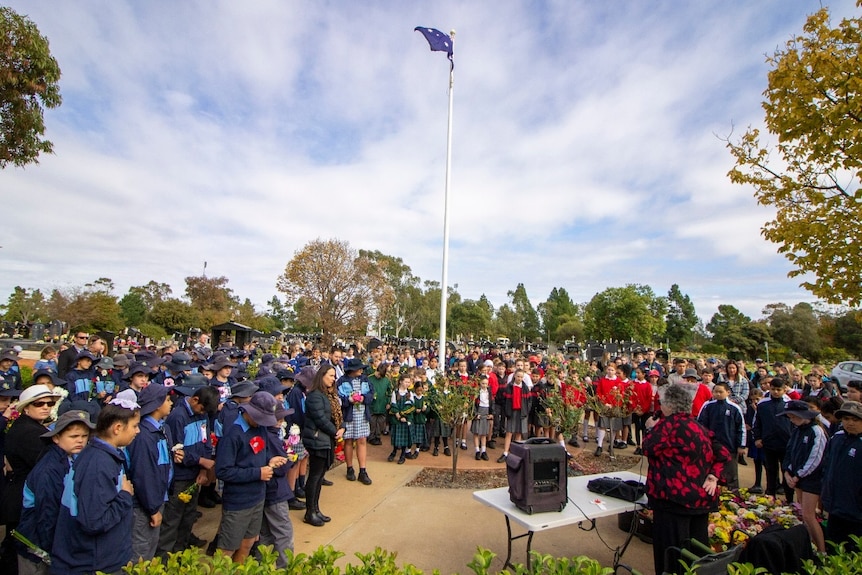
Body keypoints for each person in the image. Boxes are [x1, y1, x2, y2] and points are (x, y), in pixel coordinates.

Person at [643, 384, 730, 575]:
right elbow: (723, 453)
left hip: (672, 500)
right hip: (700, 499)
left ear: (669, 405)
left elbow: (648, 448)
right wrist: (714, 476)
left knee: (672, 556)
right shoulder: (697, 425)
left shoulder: (667, 426)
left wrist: (650, 428)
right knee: (696, 554)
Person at [51, 398, 141, 575]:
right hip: (94, 563)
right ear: (117, 428)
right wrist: (124, 496)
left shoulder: (102, 455)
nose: (137, 431)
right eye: (134, 426)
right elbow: (94, 522)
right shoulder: (98, 464)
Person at [16, 410, 94, 575]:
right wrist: (58, 554)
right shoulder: (49, 470)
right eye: (73, 436)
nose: (80, 440)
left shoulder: (69, 458)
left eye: (84, 436)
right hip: (38, 549)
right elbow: (47, 515)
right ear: (56, 437)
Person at [215, 391, 287, 562]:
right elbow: (223, 471)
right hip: (238, 503)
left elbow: (259, 454)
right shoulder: (234, 434)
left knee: (247, 544)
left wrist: (270, 461)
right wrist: (258, 473)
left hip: (257, 498)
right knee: (226, 551)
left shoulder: (259, 429)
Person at [0, 384, 63, 571]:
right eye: (39, 404)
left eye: (50, 403)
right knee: (19, 552)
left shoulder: (31, 427)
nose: (46, 407)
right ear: (26, 407)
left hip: (22, 494)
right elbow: (48, 465)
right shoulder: (29, 432)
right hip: (23, 498)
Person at [157, 384, 219, 557]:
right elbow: (177, 451)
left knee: (188, 515)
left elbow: (206, 443)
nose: (202, 413)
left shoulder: (204, 414)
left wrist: (203, 470)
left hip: (195, 474)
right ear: (195, 399)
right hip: (180, 477)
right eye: (201, 409)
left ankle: (181, 552)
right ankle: (163, 559)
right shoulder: (177, 417)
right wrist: (200, 461)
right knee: (172, 519)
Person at [126, 384, 181, 561]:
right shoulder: (143, 435)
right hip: (145, 505)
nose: (171, 402)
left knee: (151, 547)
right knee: (141, 553)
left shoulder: (161, 428)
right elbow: (143, 475)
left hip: (157, 499)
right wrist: (152, 509)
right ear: (157, 405)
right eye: (166, 399)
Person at [779, 400, 827, 553]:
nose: (791, 420)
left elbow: (815, 458)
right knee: (803, 514)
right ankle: (809, 546)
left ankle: (822, 551)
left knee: (809, 515)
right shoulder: (797, 430)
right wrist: (787, 472)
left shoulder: (816, 431)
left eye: (793, 417)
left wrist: (798, 475)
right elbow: (790, 452)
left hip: (811, 479)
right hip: (797, 477)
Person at [301, 364, 345, 527]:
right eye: (331, 376)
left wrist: (342, 427)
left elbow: (337, 414)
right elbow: (320, 419)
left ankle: (316, 509)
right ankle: (309, 512)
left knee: (319, 476)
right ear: (322, 376)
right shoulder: (314, 396)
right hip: (317, 439)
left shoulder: (329, 395)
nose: (333, 379)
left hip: (326, 439)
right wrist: (336, 431)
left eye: (334, 376)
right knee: (314, 476)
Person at [820, 401, 862, 550]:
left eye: (855, 420)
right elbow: (827, 467)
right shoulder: (837, 438)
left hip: (856, 514)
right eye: (846, 419)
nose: (850, 423)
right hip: (835, 508)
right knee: (833, 548)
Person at [697, 381, 746, 490]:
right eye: (715, 392)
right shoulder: (707, 406)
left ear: (728, 392)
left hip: (730, 446)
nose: (717, 394)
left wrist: (741, 445)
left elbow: (741, 427)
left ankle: (733, 497)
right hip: (711, 446)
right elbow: (700, 424)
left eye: (720, 392)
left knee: (731, 473)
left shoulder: (734, 408)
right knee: (710, 471)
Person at [752, 377, 793, 502]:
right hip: (768, 442)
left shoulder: (789, 404)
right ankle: (770, 493)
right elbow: (757, 423)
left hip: (786, 443)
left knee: (786, 470)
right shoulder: (763, 405)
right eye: (773, 389)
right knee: (770, 469)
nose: (775, 392)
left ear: (784, 390)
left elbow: (795, 424)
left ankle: (789, 497)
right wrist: (758, 438)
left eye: (778, 390)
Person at [336, 358, 373, 485]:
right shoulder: (342, 381)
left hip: (362, 414)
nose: (361, 370)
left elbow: (371, 394)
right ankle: (349, 468)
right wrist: (349, 400)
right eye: (359, 368)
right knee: (349, 440)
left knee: (362, 440)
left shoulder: (365, 379)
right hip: (349, 415)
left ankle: (363, 471)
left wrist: (363, 398)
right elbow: (338, 398)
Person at [497, 369, 531, 463]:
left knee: (519, 433)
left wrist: (526, 411)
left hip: (521, 412)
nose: (519, 378)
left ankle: (515, 453)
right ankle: (505, 452)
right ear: (514, 376)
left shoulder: (525, 388)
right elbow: (504, 400)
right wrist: (507, 411)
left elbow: (529, 401)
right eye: (518, 376)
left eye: (521, 377)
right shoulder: (509, 387)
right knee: (509, 433)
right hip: (511, 412)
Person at [388, 374, 415, 464]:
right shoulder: (395, 392)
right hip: (396, 418)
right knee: (396, 437)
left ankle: (403, 454)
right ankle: (394, 451)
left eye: (409, 382)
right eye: (406, 382)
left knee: (404, 438)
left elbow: (410, 406)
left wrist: (404, 416)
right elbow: (393, 404)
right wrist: (398, 415)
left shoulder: (409, 394)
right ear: (400, 381)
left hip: (405, 419)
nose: (408, 383)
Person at [745, 389, 765, 492]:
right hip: (754, 438)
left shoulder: (763, 408)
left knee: (767, 463)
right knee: (757, 461)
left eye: (757, 399)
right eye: (752, 400)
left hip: (763, 439)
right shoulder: (750, 408)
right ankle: (757, 483)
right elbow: (748, 423)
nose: (755, 402)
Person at [367, 362, 391, 446]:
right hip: (372, 405)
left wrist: (388, 402)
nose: (379, 376)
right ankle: (371, 437)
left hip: (382, 404)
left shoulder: (386, 380)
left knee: (381, 422)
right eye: (379, 374)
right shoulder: (369, 378)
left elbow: (389, 392)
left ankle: (378, 436)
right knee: (372, 422)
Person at [471, 375, 492, 460]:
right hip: (479, 412)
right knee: (476, 432)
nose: (484, 385)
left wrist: (491, 413)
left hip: (486, 412)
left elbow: (492, 403)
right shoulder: (476, 392)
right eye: (483, 383)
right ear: (479, 383)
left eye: (486, 383)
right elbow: (473, 404)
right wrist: (475, 414)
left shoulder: (489, 392)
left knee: (484, 433)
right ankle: (477, 451)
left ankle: (483, 451)